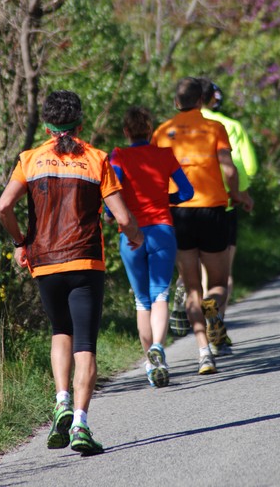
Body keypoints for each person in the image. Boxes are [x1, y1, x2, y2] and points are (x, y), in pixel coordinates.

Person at [0, 90, 143, 457]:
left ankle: (61, 400)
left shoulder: (29, 160)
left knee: (59, 331)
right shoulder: (97, 159)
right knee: (85, 344)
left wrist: (21, 241)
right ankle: (80, 423)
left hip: (45, 263)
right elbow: (123, 217)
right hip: (85, 262)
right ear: (80, 124)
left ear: (47, 126)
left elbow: (4, 206)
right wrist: (136, 237)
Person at [151, 77, 245, 375]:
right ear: (201, 101)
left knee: (191, 286)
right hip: (213, 210)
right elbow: (228, 169)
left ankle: (204, 352)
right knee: (217, 283)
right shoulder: (214, 128)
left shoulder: (162, 132)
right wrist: (238, 194)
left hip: (177, 214)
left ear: (176, 102)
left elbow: (152, 177)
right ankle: (212, 312)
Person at [105, 106, 194, 387]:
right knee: (160, 296)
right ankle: (158, 347)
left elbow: (110, 192)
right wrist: (168, 201)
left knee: (141, 301)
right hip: (162, 231)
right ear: (150, 128)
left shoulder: (117, 156)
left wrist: (109, 215)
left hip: (130, 233)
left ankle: (150, 361)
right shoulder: (164, 154)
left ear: (126, 131)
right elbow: (188, 191)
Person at [200, 78, 256, 324]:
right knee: (223, 274)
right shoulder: (230, 126)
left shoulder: (173, 129)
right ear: (215, 97)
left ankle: (189, 293)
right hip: (223, 204)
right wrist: (242, 193)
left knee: (197, 269)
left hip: (185, 206)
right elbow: (248, 166)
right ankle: (217, 321)